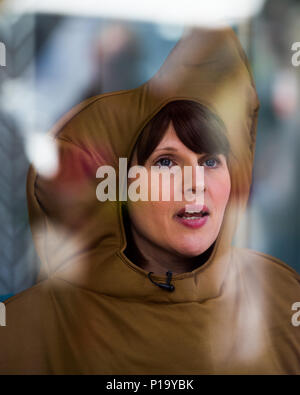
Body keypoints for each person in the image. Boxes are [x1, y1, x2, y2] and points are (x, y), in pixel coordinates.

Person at [0, 25, 300, 375]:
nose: (195, 184)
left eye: (210, 161)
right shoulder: (26, 331)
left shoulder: (282, 299)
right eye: (167, 162)